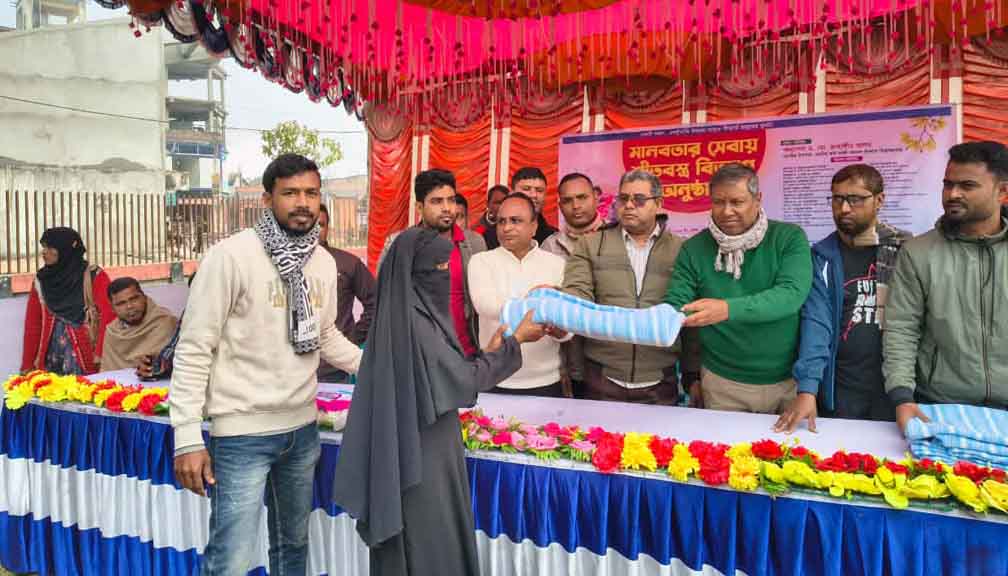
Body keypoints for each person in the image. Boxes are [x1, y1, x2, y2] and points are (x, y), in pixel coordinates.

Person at [169, 154, 364, 576]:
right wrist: (186, 437)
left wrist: (375, 368)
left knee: (292, 548)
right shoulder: (231, 256)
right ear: (267, 199)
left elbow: (325, 335)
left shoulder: (322, 261)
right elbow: (195, 347)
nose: (303, 202)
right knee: (232, 559)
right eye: (290, 193)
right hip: (242, 434)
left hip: (302, 431)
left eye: (311, 193)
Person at [333, 227, 546, 576]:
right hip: (423, 452)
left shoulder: (402, 315)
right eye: (438, 268)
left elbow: (447, 371)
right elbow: (462, 382)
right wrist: (516, 341)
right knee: (431, 539)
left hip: (414, 442)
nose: (445, 276)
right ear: (415, 272)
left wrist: (493, 350)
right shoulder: (417, 324)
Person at [665, 163, 812, 414]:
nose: (727, 211)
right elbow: (677, 303)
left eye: (737, 202)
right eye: (718, 202)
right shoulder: (694, 248)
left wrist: (726, 309)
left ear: (758, 199)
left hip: (788, 382)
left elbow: (790, 295)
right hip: (722, 382)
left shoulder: (789, 238)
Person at [884, 141, 1008, 431]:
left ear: (1002, 191)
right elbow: (901, 329)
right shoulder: (918, 252)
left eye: (967, 185)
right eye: (948, 184)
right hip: (939, 406)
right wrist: (902, 396)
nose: (953, 194)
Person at [779, 165, 911, 431]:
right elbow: (817, 322)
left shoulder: (905, 251)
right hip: (841, 387)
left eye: (855, 199)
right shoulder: (822, 257)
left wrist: (905, 392)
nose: (844, 208)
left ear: (879, 200)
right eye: (837, 199)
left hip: (896, 387)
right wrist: (808, 389)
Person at [563, 169, 696, 403]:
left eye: (639, 199)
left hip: (659, 381)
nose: (629, 205)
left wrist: (692, 376)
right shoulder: (590, 245)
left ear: (658, 204)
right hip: (601, 379)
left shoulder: (682, 250)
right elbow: (577, 297)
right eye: (623, 198)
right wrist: (560, 302)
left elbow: (690, 317)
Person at [468, 193, 570, 396]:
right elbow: (486, 306)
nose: (506, 228)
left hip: (546, 380)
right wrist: (544, 308)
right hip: (494, 378)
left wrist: (560, 329)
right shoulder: (481, 261)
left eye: (515, 221)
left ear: (534, 226)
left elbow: (567, 325)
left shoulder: (557, 264)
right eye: (501, 221)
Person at [378, 169, 487, 356]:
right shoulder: (398, 244)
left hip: (466, 355)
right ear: (419, 207)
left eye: (451, 200)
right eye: (437, 201)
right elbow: (385, 301)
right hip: (419, 357)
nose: (447, 208)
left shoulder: (474, 243)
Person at [541, 172, 605, 396]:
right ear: (559, 205)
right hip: (568, 360)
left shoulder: (616, 238)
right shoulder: (550, 246)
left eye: (582, 197)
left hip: (610, 357)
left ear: (596, 196)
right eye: (568, 200)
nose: (576, 206)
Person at [21, 227, 115, 375]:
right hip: (51, 358)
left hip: (87, 358)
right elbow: (33, 325)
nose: (44, 252)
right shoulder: (42, 280)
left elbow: (110, 315)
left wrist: (100, 353)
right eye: (43, 247)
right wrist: (27, 364)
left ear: (65, 249)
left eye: (50, 247)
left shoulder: (93, 276)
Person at [317, 203, 376, 381]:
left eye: (321, 225)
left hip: (335, 369)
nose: (315, 230)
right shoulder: (284, 266)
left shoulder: (348, 263)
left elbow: (375, 302)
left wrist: (353, 337)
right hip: (293, 369)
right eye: (310, 224)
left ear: (328, 228)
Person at [101, 277, 178, 372]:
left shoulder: (165, 322)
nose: (129, 306)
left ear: (144, 297)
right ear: (112, 308)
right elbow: (107, 372)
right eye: (121, 303)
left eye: (134, 299)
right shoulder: (112, 332)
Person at [484, 168, 558, 249]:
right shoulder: (490, 235)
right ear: (512, 193)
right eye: (526, 189)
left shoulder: (553, 238)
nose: (533, 195)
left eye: (539, 190)